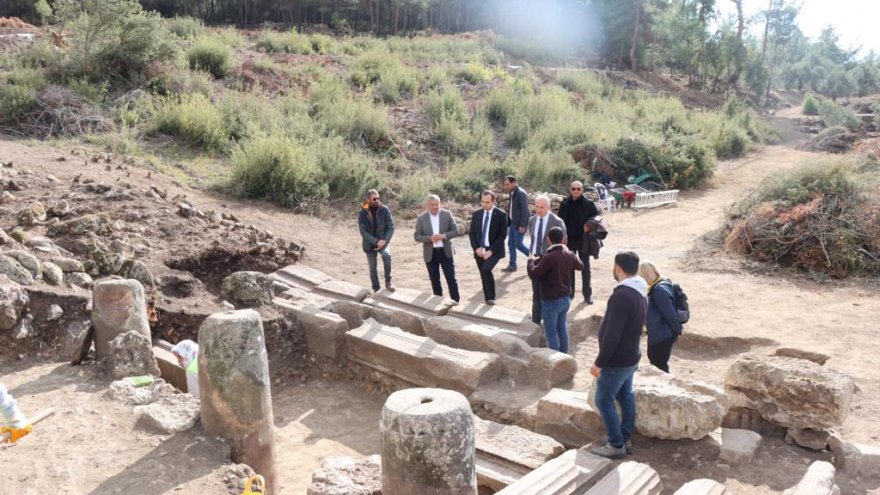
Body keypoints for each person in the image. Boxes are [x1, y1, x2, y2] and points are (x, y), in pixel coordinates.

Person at [590, 251, 647, 459]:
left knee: (603, 399)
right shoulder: (640, 290)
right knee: (625, 396)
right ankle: (624, 437)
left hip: (618, 360)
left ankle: (616, 444)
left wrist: (599, 363)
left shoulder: (622, 295)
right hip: (631, 355)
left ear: (618, 268)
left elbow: (612, 335)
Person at [527, 226, 582, 354]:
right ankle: (563, 356)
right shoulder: (569, 253)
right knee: (562, 329)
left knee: (551, 332)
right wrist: (571, 254)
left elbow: (534, 274)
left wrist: (530, 261)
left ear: (548, 240)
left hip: (551, 301)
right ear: (563, 239)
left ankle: (555, 360)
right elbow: (580, 265)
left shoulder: (549, 257)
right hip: (565, 299)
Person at [558, 180, 600, 305]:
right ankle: (570, 293)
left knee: (585, 267)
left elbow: (597, 218)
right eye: (573, 188)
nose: (576, 191)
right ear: (570, 189)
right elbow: (559, 221)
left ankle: (587, 295)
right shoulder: (565, 203)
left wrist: (589, 225)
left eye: (578, 189)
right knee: (569, 267)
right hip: (569, 240)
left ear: (582, 190)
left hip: (584, 240)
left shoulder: (589, 204)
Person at [413, 194, 460, 303]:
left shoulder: (447, 215)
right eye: (432, 205)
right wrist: (429, 238)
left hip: (446, 252)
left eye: (437, 204)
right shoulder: (421, 219)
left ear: (440, 204)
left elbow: (456, 231)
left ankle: (456, 302)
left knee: (451, 279)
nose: (435, 207)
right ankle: (438, 302)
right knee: (435, 280)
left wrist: (443, 236)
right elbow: (416, 236)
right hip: (431, 253)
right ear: (427, 205)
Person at [527, 195, 566, 324]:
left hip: (550, 261)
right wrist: (530, 256)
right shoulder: (532, 220)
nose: (538, 210)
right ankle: (535, 320)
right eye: (536, 207)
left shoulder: (557, 222)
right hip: (535, 259)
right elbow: (533, 239)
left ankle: (549, 319)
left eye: (542, 207)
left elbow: (563, 242)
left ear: (548, 207)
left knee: (548, 292)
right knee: (536, 292)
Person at [638, 261, 682, 373]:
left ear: (645, 275)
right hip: (658, 333)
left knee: (659, 364)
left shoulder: (659, 290)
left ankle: (666, 388)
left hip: (662, 334)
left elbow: (670, 313)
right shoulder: (656, 286)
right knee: (655, 360)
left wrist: (678, 329)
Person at [468, 190, 508, 305]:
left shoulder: (501, 215)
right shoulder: (476, 214)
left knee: (486, 269)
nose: (485, 204)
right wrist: (476, 249)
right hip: (479, 250)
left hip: (494, 250)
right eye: (483, 202)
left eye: (487, 202)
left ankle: (492, 297)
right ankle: (488, 299)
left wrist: (491, 251)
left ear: (493, 201)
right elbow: (472, 234)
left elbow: (502, 235)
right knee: (483, 274)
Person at [358, 189, 395, 293]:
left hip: (383, 241)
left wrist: (384, 240)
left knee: (387, 256)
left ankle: (388, 282)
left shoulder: (385, 209)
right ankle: (376, 288)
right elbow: (363, 232)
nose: (377, 200)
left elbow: (391, 227)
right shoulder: (362, 212)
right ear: (368, 199)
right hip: (369, 244)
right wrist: (376, 241)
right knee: (372, 268)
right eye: (374, 198)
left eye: (378, 198)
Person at [501, 176, 530, 272]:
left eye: (507, 184)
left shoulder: (521, 193)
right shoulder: (512, 193)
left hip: (519, 225)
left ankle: (534, 258)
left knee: (518, 245)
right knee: (510, 244)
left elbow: (525, 211)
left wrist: (522, 225)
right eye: (505, 184)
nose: (506, 186)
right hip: (513, 223)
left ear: (514, 183)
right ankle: (512, 265)